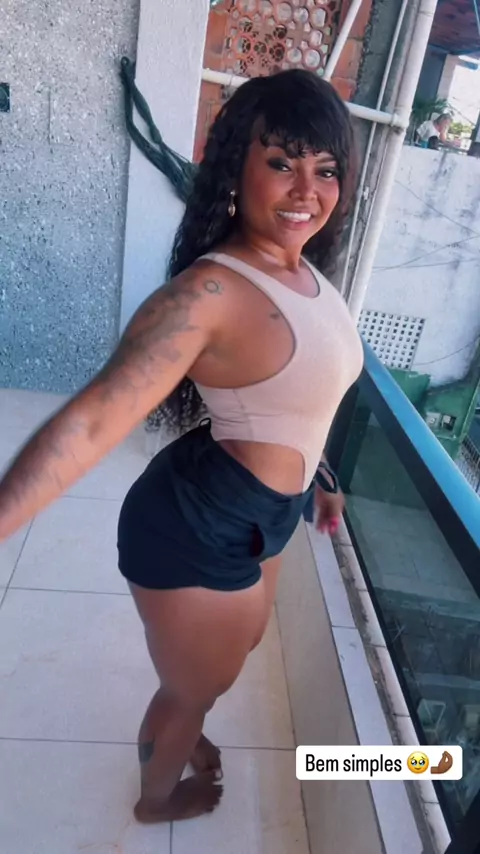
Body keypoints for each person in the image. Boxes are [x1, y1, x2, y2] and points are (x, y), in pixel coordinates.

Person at [0, 70, 363, 823]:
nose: (307, 190)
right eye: (281, 162)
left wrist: (322, 478)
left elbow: (306, 398)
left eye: (325, 170)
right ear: (235, 167)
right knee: (193, 688)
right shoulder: (207, 297)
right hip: (197, 525)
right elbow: (91, 422)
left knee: (232, 654)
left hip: (263, 511)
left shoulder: (305, 272)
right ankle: (156, 799)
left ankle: (187, 714)